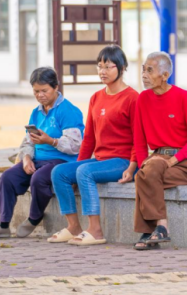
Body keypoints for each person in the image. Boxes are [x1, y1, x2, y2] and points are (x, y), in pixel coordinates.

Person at [49, 46, 139, 246]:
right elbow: (88, 137)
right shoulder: (96, 98)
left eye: (108, 66)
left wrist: (132, 166)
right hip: (100, 160)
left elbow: (138, 138)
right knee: (59, 172)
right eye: (99, 66)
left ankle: (95, 230)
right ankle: (73, 226)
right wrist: (76, 168)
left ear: (122, 68)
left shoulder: (133, 98)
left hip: (123, 161)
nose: (102, 71)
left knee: (85, 172)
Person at [0, 68, 84, 239]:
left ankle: (34, 218)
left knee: (39, 179)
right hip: (38, 159)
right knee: (7, 177)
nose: (40, 95)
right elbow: (28, 141)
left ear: (56, 87)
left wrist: (51, 141)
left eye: (44, 90)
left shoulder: (68, 111)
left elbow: (76, 145)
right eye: (36, 91)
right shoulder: (36, 112)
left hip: (62, 161)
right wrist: (26, 158)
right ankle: (3, 225)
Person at [132, 52, 187, 251]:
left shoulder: (183, 97)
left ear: (164, 75)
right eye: (143, 70)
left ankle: (154, 228)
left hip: (184, 162)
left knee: (149, 171)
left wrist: (173, 160)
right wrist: (141, 164)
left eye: (149, 70)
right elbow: (138, 140)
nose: (144, 75)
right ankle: (157, 229)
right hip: (156, 159)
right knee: (144, 174)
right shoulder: (142, 99)